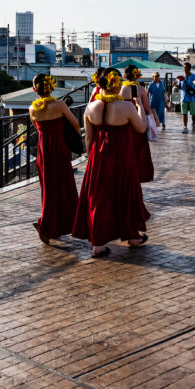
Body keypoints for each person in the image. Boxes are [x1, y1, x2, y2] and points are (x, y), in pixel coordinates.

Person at [72, 68, 149, 256]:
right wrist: (139, 107)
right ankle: (133, 236)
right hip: (122, 156)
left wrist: (91, 159)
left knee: (99, 197)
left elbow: (88, 139)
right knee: (126, 193)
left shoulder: (90, 108)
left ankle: (98, 244)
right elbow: (141, 128)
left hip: (98, 158)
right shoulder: (127, 107)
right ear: (116, 85)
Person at [30, 74, 82, 244]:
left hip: (43, 152)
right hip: (59, 150)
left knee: (48, 190)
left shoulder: (32, 109)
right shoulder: (59, 105)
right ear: (51, 87)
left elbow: (37, 128)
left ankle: (51, 225)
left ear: (35, 90)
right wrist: (77, 141)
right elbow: (74, 123)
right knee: (64, 188)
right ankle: (49, 225)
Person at [121, 65, 155, 182]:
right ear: (137, 75)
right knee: (138, 153)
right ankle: (137, 178)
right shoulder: (140, 89)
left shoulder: (120, 89)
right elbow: (147, 109)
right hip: (139, 123)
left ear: (125, 76)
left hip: (124, 124)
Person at [179, 62, 195, 133]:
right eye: (184, 68)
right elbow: (179, 87)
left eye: (186, 68)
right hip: (183, 98)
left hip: (192, 98)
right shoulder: (181, 77)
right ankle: (185, 127)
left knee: (193, 114)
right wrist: (176, 85)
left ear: (190, 69)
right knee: (184, 114)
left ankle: (193, 124)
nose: (185, 70)